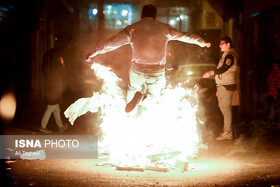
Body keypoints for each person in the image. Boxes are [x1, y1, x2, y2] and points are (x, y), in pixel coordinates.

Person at [86, 4, 211, 113]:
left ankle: (134, 107)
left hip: (137, 69)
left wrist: (94, 52)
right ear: (155, 17)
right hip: (157, 70)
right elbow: (185, 36)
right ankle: (143, 99)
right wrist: (202, 42)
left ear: (142, 16)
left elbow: (111, 43)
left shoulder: (132, 29)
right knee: (153, 98)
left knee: (132, 92)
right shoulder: (164, 28)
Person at [203, 36, 238, 140]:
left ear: (228, 45)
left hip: (226, 85)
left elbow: (223, 69)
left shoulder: (230, 55)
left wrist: (211, 73)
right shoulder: (226, 55)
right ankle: (228, 131)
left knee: (225, 109)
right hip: (223, 86)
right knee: (225, 108)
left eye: (222, 43)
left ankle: (228, 132)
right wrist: (219, 89)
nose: (220, 45)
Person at [40, 47, 68, 133]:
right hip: (55, 88)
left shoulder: (46, 65)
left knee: (56, 108)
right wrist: (62, 63)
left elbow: (44, 73)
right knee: (51, 107)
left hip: (48, 86)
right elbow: (65, 73)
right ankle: (43, 126)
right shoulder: (57, 64)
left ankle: (61, 126)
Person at [264, 60, 280, 126]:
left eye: (275, 66)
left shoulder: (278, 73)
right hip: (270, 92)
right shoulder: (272, 73)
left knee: (276, 107)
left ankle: (276, 121)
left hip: (276, 92)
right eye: (273, 66)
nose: (274, 67)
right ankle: (269, 121)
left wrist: (276, 87)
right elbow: (268, 81)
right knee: (269, 106)